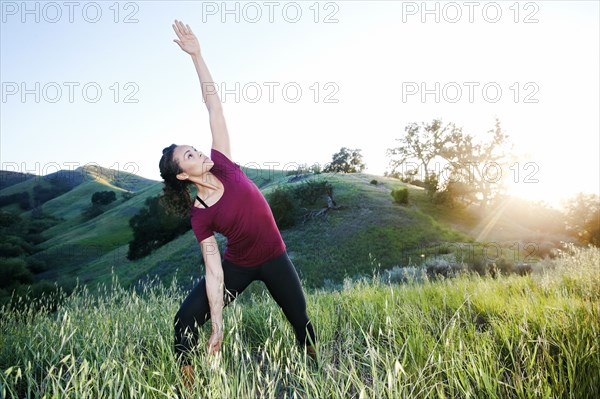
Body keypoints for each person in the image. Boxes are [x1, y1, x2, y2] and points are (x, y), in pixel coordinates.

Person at [159, 20, 317, 388]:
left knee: (300, 319)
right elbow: (214, 273)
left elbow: (214, 106)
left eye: (194, 148)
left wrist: (197, 55)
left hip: (275, 257)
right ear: (183, 175)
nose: (198, 151)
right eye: (190, 155)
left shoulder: (225, 165)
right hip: (239, 266)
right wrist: (217, 325)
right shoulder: (200, 216)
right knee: (184, 321)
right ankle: (189, 387)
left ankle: (316, 371)